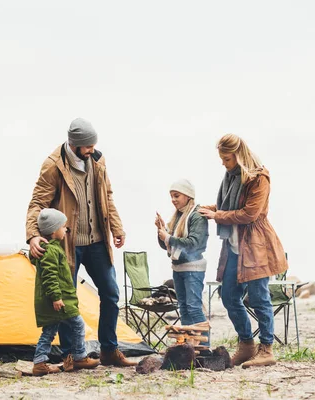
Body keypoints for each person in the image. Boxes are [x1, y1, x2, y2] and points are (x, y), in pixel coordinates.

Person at [26, 118, 136, 367]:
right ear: (74, 145)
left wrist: (116, 226)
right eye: (87, 146)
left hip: (97, 240)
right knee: (67, 297)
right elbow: (37, 203)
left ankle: (109, 350)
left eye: (93, 145)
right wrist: (33, 234)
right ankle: (70, 355)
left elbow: (107, 196)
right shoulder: (53, 166)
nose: (91, 150)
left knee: (111, 293)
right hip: (68, 243)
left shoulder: (98, 161)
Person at [199, 134, 288, 368]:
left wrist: (217, 215)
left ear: (238, 155)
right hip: (233, 247)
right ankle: (247, 344)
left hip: (255, 246)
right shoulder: (231, 176)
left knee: (260, 299)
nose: (223, 163)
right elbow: (231, 206)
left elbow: (249, 213)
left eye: (226, 159)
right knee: (228, 296)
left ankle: (266, 349)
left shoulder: (258, 178)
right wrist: (210, 208)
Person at [31, 208, 99, 375]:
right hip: (58, 299)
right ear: (54, 231)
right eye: (63, 227)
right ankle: (79, 357)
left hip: (58, 299)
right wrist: (56, 297)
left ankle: (40, 362)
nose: (66, 229)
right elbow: (49, 276)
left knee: (50, 331)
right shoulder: (50, 251)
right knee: (77, 324)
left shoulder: (52, 249)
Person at [155, 179, 209, 346]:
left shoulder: (197, 215)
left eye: (176, 195)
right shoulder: (178, 216)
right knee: (184, 308)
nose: (173, 199)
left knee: (194, 308)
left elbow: (194, 243)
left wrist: (169, 237)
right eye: (171, 196)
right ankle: (189, 347)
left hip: (193, 269)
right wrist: (161, 232)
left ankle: (205, 347)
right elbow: (168, 247)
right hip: (178, 268)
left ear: (188, 195)